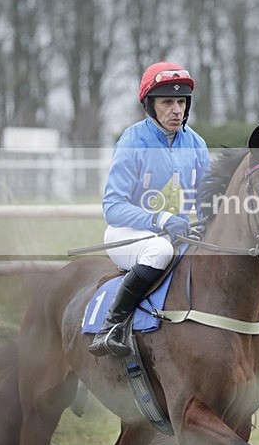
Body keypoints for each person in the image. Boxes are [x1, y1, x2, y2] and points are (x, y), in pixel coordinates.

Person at [89, 61, 210, 357]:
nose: (176, 110)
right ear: (150, 105)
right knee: (160, 251)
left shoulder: (196, 144)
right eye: (167, 102)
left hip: (174, 237)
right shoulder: (132, 141)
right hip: (127, 235)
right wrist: (162, 218)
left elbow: (207, 201)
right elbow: (113, 207)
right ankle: (110, 328)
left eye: (181, 102)